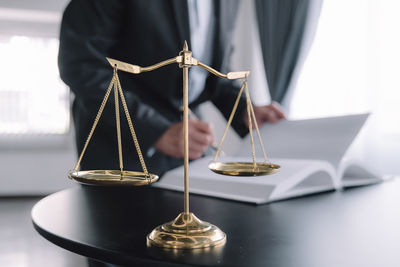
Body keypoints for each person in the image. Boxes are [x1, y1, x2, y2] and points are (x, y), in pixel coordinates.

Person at [59, 0, 285, 177]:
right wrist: (156, 130)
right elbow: (80, 63)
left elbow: (214, 71)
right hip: (120, 150)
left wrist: (246, 110)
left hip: (188, 148)